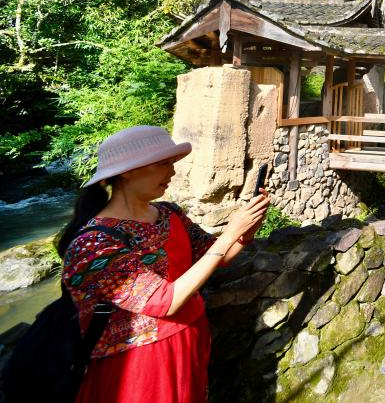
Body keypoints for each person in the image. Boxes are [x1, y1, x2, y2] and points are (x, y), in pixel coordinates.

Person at [59, 125, 270, 403]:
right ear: (126, 171)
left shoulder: (169, 213)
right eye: (163, 163)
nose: (172, 172)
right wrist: (230, 233)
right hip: (137, 366)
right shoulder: (93, 244)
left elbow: (216, 256)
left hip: (191, 339)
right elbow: (164, 302)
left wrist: (247, 229)